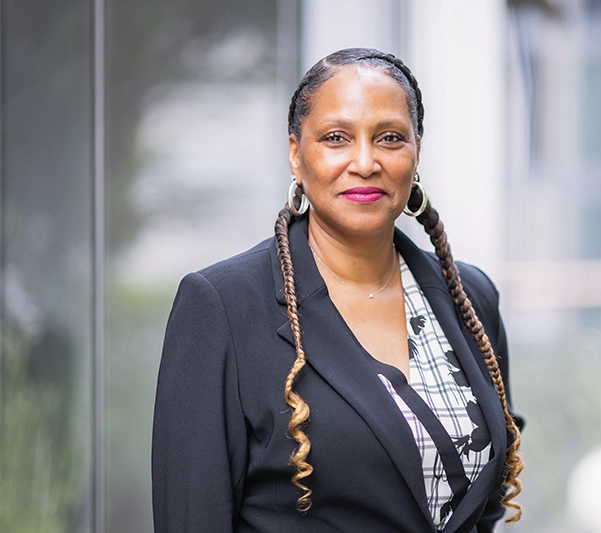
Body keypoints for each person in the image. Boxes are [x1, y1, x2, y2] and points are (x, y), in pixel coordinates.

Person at [152, 48, 523, 533]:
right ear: (295, 153)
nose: (365, 162)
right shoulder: (221, 307)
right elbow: (191, 517)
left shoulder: (469, 297)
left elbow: (485, 503)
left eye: (389, 138)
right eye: (336, 138)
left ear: (416, 152)